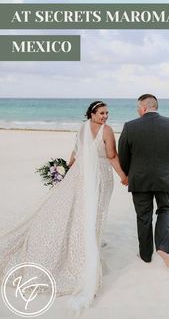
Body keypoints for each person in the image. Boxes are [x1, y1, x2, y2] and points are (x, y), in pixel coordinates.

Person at [0, 101, 128, 314]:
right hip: (98, 176)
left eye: (107, 113)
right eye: (102, 113)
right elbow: (112, 155)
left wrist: (68, 169)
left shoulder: (83, 127)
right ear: (92, 113)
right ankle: (87, 248)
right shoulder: (106, 131)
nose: (106, 116)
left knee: (78, 209)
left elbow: (76, 152)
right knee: (92, 210)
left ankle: (85, 241)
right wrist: (123, 175)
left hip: (80, 174)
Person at [118, 94, 169, 268]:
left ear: (143, 108)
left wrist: (127, 174)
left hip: (139, 179)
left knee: (143, 216)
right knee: (165, 211)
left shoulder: (130, 126)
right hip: (165, 179)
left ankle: (145, 255)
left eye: (138, 109)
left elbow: (123, 155)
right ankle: (163, 247)